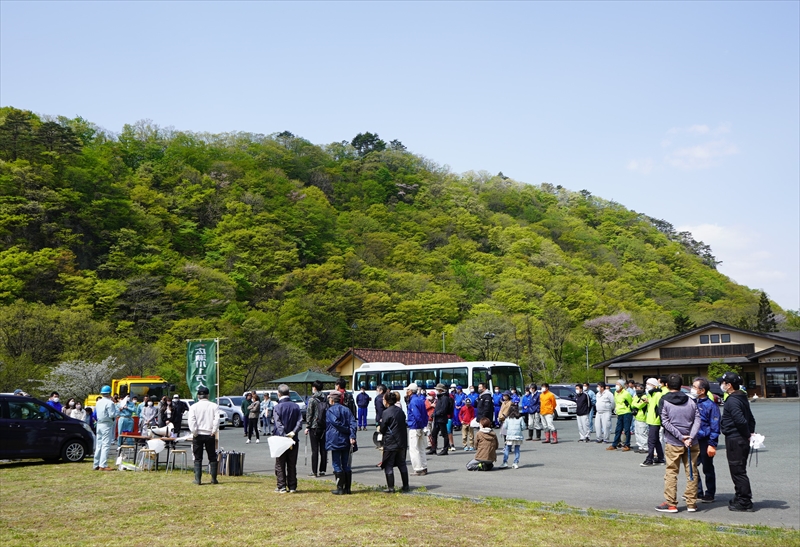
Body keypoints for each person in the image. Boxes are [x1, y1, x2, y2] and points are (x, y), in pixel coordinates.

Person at [655, 373, 700, 513]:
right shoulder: (691, 400)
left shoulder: (664, 400)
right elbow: (697, 419)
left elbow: (665, 422)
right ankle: (691, 503)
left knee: (671, 472)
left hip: (674, 442)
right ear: (681, 386)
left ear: (667, 385)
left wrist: (681, 437)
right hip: (691, 442)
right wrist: (690, 437)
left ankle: (671, 503)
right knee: (692, 471)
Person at [718, 371, 756, 512]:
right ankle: (740, 495)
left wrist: (746, 434)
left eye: (723, 383)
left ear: (729, 385)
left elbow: (740, 420)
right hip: (740, 438)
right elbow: (751, 419)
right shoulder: (741, 397)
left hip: (736, 439)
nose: (721, 385)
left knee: (738, 471)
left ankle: (744, 500)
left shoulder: (733, 400)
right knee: (738, 469)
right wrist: (749, 433)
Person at [693, 377, 720, 504]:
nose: (692, 389)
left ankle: (710, 493)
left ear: (702, 390)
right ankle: (697, 491)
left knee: (707, 468)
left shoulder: (711, 405)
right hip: (694, 439)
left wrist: (712, 444)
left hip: (705, 439)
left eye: (694, 387)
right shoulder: (694, 403)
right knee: (692, 466)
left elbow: (715, 426)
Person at [325, 390, 357, 495]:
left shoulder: (330, 411)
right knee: (346, 463)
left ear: (332, 400)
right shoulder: (346, 410)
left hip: (335, 440)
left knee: (336, 464)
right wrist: (352, 435)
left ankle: (340, 488)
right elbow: (353, 423)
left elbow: (336, 423)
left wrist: (347, 430)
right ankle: (347, 488)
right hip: (346, 440)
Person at [273, 384, 303, 494]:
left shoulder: (277, 407)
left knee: (280, 463)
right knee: (292, 463)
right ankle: (292, 486)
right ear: (289, 394)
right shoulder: (296, 406)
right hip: (294, 438)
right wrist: (293, 432)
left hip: (280, 439)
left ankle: (281, 486)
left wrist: (284, 435)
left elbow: (278, 423)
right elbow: (300, 422)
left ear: (278, 394)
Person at [378, 391, 410, 493]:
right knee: (402, 464)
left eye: (383, 399)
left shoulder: (386, 412)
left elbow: (382, 429)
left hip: (391, 442)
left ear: (387, 401)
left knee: (388, 464)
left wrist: (381, 424)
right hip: (402, 442)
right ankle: (406, 486)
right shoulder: (400, 411)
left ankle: (391, 487)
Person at [188, 386, 220, 485]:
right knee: (212, 456)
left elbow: (191, 421)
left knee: (198, 457)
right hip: (210, 434)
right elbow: (217, 420)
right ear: (208, 395)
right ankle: (214, 479)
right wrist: (213, 431)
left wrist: (194, 432)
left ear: (198, 396)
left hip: (198, 434)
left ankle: (198, 480)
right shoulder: (214, 406)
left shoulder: (194, 407)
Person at [403, 383, 428, 476]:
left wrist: (420, 424)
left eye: (407, 390)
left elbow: (417, 415)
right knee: (421, 448)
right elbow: (425, 414)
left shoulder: (413, 401)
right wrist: (424, 425)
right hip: (421, 426)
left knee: (414, 449)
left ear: (410, 391)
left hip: (415, 426)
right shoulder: (420, 400)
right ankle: (424, 466)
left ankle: (418, 468)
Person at [304, 380, 328, 477]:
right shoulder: (325, 398)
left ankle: (314, 471)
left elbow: (309, 414)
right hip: (324, 426)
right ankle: (322, 470)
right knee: (323, 449)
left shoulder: (312, 399)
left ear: (315, 387)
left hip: (314, 426)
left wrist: (307, 426)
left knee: (315, 450)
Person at [641, 377, 666, 467]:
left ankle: (649, 459)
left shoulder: (658, 394)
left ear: (654, 386)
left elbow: (659, 408)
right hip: (651, 420)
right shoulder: (651, 395)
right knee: (656, 441)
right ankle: (660, 458)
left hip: (655, 421)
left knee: (651, 441)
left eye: (649, 384)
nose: (647, 386)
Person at [92, 385, 117, 471]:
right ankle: (103, 465)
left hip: (99, 424)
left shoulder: (98, 402)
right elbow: (112, 414)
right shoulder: (110, 403)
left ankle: (96, 464)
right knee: (106, 445)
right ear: (110, 393)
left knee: (99, 445)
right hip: (106, 424)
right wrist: (118, 410)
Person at [428, 383, 453, 456]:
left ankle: (445, 449)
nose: (436, 391)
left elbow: (443, 409)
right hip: (438, 418)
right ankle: (433, 448)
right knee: (434, 434)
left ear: (440, 390)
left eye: (437, 389)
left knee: (444, 434)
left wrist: (435, 414)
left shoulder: (444, 398)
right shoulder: (441, 397)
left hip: (441, 418)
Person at [609, 379, 633, 451]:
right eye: (616, 384)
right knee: (618, 429)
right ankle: (615, 444)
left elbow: (630, 402)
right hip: (619, 413)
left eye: (618, 384)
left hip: (626, 412)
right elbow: (616, 402)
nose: (616, 386)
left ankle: (627, 445)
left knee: (626, 430)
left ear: (622, 386)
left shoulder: (626, 393)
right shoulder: (616, 393)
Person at [631, 383, 649, 453]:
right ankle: (640, 446)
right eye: (636, 388)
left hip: (642, 417)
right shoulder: (636, 396)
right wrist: (635, 404)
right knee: (637, 432)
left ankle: (645, 447)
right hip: (636, 417)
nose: (637, 390)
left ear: (642, 389)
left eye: (639, 388)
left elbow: (639, 406)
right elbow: (632, 404)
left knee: (642, 433)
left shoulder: (645, 397)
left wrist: (635, 404)